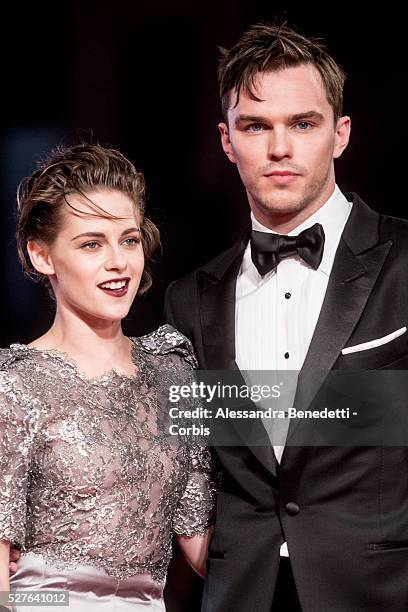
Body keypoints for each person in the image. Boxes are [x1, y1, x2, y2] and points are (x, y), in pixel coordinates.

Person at [164, 23, 408, 612]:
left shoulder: (404, 262)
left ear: (340, 133)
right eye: (256, 126)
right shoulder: (189, 299)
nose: (280, 148)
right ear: (226, 141)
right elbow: (183, 456)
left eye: (303, 124)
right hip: (241, 592)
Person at [0, 143, 215, 611]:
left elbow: (203, 549)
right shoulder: (15, 388)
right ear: (41, 255)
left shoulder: (173, 374)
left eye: (130, 239)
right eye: (91, 243)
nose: (118, 262)